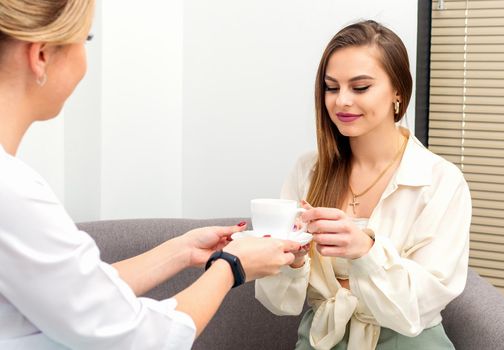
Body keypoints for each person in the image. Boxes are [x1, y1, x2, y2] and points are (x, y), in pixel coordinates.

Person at [0, 1, 300, 349]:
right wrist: (231, 267)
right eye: (86, 39)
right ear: (41, 55)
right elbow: (135, 336)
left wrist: (180, 250)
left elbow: (78, 295)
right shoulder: (13, 192)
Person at [255, 20, 472, 350]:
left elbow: (421, 305)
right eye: (331, 87)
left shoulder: (441, 182)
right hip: (322, 339)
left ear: (398, 91)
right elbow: (280, 303)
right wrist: (294, 260)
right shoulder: (308, 171)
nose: (341, 101)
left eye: (359, 88)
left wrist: (366, 252)